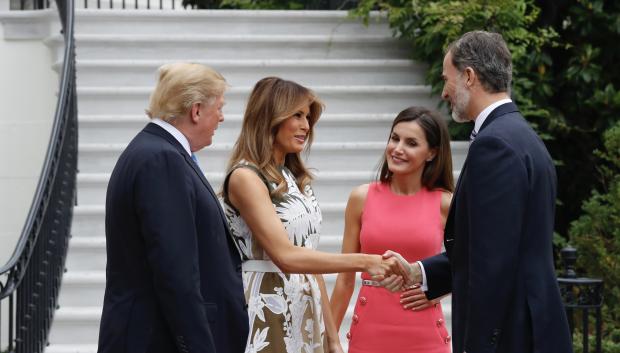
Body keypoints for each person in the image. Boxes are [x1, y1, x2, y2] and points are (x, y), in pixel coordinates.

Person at [385, 31, 573, 353]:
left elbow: (492, 264)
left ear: (469, 76)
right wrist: (420, 271)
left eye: (447, 79)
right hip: (532, 327)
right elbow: (490, 246)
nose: (444, 92)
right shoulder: (523, 136)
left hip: (512, 335)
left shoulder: (494, 144)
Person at [221, 77, 407, 353]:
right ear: (270, 116)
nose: (306, 126)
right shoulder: (245, 177)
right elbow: (285, 256)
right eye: (296, 115)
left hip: (305, 311)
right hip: (265, 306)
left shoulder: (294, 179)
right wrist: (365, 261)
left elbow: (310, 259)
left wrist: (331, 337)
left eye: (307, 117)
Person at [98, 63, 248, 353]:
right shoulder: (162, 160)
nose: (222, 117)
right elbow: (175, 270)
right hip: (158, 340)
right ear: (196, 110)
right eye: (218, 107)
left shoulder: (154, 151)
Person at [329, 106, 454, 353]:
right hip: (369, 333)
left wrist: (442, 289)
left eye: (411, 143)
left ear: (432, 153)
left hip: (425, 335)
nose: (397, 149)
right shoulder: (361, 198)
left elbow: (472, 262)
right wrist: (328, 339)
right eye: (395, 138)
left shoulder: (445, 203)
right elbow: (344, 280)